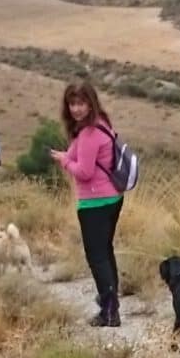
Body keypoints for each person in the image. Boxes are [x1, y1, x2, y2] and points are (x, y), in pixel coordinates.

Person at [56, 79, 123, 327]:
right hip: (112, 197)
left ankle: (109, 310)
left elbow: (83, 171)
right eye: (72, 103)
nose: (76, 109)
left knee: (97, 256)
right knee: (105, 252)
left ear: (90, 103)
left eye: (81, 103)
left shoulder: (89, 133)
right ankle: (110, 302)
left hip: (95, 200)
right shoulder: (101, 124)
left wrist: (64, 161)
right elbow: (78, 154)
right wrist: (67, 155)